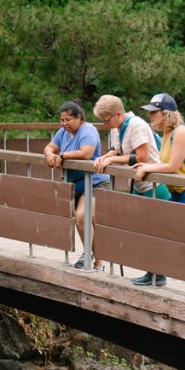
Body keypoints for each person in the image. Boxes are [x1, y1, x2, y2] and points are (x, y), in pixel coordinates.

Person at [133, 92, 185, 298]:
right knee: (160, 230)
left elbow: (173, 166)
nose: (150, 116)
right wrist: (148, 166)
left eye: (154, 112)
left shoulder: (181, 132)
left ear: (166, 113)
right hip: (176, 190)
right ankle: (156, 274)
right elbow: (166, 165)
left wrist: (147, 168)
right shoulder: (167, 134)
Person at [43, 101, 108, 270]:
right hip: (75, 183)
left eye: (68, 120)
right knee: (87, 222)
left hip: (94, 181)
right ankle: (98, 263)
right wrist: (50, 154)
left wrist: (63, 155)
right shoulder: (63, 132)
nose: (64, 124)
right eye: (62, 120)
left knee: (82, 216)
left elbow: (86, 153)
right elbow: (50, 147)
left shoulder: (88, 130)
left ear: (79, 117)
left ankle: (88, 254)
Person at [92, 94, 168, 198]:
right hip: (136, 182)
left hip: (153, 184)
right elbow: (117, 150)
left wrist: (112, 159)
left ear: (118, 114)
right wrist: (103, 158)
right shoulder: (115, 127)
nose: (105, 123)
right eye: (102, 120)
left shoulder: (136, 125)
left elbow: (141, 157)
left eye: (106, 120)